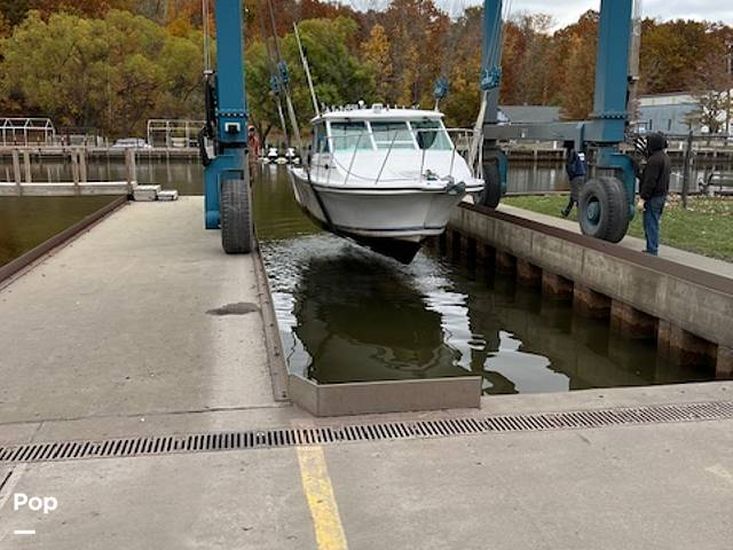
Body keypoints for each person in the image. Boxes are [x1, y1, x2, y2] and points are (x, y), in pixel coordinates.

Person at [639, 132, 671, 255]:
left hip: (653, 197)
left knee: (650, 223)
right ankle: (652, 247)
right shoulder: (665, 158)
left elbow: (650, 181)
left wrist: (643, 198)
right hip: (662, 195)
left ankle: (652, 250)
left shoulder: (653, 160)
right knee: (654, 222)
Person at [561, 140, 586, 217]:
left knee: (577, 197)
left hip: (575, 176)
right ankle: (566, 212)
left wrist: (571, 175)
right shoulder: (578, 152)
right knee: (573, 196)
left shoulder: (571, 152)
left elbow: (571, 165)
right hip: (581, 175)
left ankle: (581, 215)